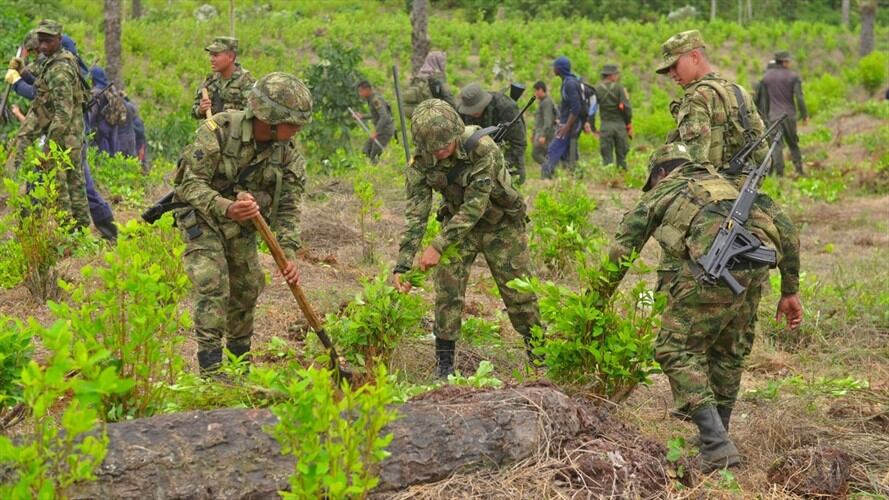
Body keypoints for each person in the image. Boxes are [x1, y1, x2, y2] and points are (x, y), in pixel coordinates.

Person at [601, 143, 803, 472]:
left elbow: (622, 249)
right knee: (729, 352)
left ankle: (716, 443)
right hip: (752, 273)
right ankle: (718, 436)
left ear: (660, 174)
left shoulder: (664, 190)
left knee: (674, 349)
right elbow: (789, 233)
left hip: (710, 273)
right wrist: (789, 291)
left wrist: (598, 298)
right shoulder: (731, 185)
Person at [392, 99, 541, 378]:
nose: (441, 152)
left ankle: (539, 356)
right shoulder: (420, 164)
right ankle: (445, 365)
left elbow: (475, 205)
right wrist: (402, 265)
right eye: (433, 149)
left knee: (518, 293)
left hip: (502, 226)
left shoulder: (483, 149)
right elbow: (416, 216)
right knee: (447, 292)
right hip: (459, 229)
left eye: (446, 145)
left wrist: (437, 246)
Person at [173, 72, 311, 374]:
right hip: (203, 216)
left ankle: (239, 368)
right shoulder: (219, 130)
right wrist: (226, 207)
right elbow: (189, 185)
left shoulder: (287, 156)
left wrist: (287, 252)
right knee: (213, 282)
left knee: (247, 287)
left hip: (242, 225)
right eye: (293, 124)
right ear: (271, 119)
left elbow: (289, 205)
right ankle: (211, 372)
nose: (297, 131)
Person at [6, 29, 118, 241]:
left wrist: (18, 83)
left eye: (34, 50)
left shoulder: (61, 66)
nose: (36, 52)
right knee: (48, 181)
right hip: (61, 129)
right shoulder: (52, 59)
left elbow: (43, 95)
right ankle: (31, 232)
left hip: (67, 133)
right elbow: (42, 84)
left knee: (77, 184)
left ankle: (102, 231)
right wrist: (24, 73)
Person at [656, 30, 767, 177]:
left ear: (694, 57)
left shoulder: (696, 98)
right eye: (667, 70)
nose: (671, 74)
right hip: (743, 186)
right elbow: (761, 152)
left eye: (674, 65)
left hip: (708, 192)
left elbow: (694, 162)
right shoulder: (739, 92)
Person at [456, 82, 527, 184]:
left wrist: (504, 165)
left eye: (476, 108)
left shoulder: (505, 107)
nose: (473, 113)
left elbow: (518, 142)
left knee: (512, 186)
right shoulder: (461, 111)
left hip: (507, 152)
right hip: (479, 156)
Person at [758, 51, 808, 176]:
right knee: (793, 144)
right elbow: (799, 97)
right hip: (789, 115)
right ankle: (799, 170)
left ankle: (779, 174)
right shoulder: (793, 76)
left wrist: (765, 118)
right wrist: (804, 114)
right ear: (784, 62)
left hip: (774, 115)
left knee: (776, 145)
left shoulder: (766, 77)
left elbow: (764, 101)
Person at [191, 37, 255, 120]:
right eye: (211, 55)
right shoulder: (210, 81)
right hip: (212, 131)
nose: (211, 59)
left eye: (216, 55)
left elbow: (252, 114)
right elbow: (194, 112)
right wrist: (201, 110)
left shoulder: (246, 82)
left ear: (231, 57)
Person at [542, 56, 583, 179]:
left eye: (554, 67)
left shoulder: (569, 84)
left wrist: (567, 126)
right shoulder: (567, 82)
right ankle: (576, 176)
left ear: (559, 69)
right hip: (567, 123)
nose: (553, 69)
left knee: (553, 150)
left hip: (568, 125)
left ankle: (546, 179)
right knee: (569, 153)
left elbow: (576, 107)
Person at [591, 64, 633, 169]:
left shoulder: (597, 89)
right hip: (620, 126)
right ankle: (622, 177)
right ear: (611, 75)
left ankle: (608, 178)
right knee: (622, 156)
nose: (617, 76)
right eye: (616, 74)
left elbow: (592, 110)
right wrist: (628, 123)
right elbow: (626, 108)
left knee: (607, 156)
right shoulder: (619, 88)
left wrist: (593, 127)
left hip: (605, 126)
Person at [401, 50, 457, 118]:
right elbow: (449, 99)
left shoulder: (418, 76)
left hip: (419, 116)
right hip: (435, 117)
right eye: (442, 61)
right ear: (438, 62)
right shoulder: (438, 78)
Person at [356, 80, 395, 164]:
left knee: (374, 155)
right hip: (380, 130)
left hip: (385, 130)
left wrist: (376, 132)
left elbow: (384, 117)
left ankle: (378, 172)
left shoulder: (375, 100)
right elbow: (376, 114)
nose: (360, 94)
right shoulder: (371, 99)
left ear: (367, 90)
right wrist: (362, 116)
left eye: (361, 91)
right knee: (366, 150)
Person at [531, 81, 557, 168]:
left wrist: (543, 135)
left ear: (541, 90)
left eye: (536, 91)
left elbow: (547, 121)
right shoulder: (543, 102)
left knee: (536, 153)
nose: (535, 93)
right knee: (544, 154)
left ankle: (549, 170)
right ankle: (549, 172)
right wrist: (534, 133)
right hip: (542, 132)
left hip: (546, 133)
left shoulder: (546, 102)